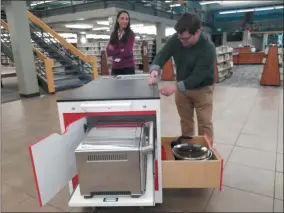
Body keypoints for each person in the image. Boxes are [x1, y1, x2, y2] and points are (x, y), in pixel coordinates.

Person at [148, 12, 216, 140]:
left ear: (197, 32)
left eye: (185, 38)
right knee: (185, 121)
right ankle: (188, 149)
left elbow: (198, 76)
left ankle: (207, 153)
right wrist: (155, 70)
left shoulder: (208, 48)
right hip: (182, 90)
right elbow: (162, 55)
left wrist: (174, 87)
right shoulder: (177, 39)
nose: (181, 41)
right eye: (179, 38)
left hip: (203, 90)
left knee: (205, 123)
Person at [106, 10, 135, 75]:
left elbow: (127, 52)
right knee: (115, 85)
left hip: (128, 68)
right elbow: (108, 51)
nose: (125, 21)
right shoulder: (113, 34)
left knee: (128, 85)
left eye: (127, 19)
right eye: (122, 18)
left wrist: (114, 50)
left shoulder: (130, 34)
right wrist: (120, 50)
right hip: (115, 67)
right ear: (117, 19)